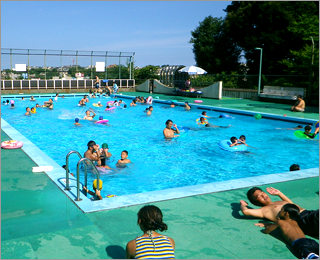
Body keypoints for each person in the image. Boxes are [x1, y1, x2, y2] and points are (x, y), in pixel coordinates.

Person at [240, 186, 319, 237]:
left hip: (309, 213)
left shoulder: (278, 201)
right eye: (259, 196)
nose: (263, 195)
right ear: (256, 203)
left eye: (262, 193)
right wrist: (243, 205)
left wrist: (279, 194)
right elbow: (246, 212)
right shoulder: (262, 210)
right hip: (302, 220)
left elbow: (292, 205)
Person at [255, 204, 319, 259]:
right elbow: (286, 227)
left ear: (286, 213)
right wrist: (271, 224)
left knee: (310, 256)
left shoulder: (279, 222)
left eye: (281, 210)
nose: (279, 212)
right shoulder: (295, 222)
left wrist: (266, 227)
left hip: (300, 243)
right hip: (310, 241)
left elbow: (266, 231)